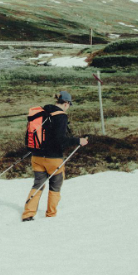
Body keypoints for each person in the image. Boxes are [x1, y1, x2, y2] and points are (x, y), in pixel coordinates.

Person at [22, 91, 88, 222]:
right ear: (66, 103)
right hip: (54, 158)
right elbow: (60, 140)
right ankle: (51, 216)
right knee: (55, 186)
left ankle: (28, 214)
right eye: (69, 104)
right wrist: (78, 141)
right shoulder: (61, 116)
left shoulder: (42, 112)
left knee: (38, 185)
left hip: (36, 156)